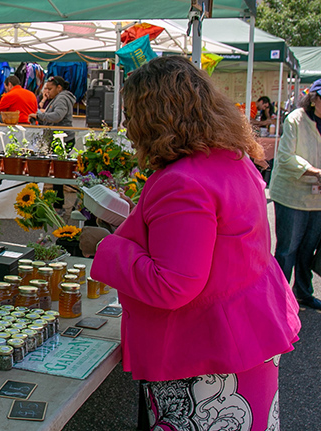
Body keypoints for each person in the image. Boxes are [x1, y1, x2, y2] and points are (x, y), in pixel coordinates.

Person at [88, 56, 300, 430]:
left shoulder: (183, 181)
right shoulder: (233, 159)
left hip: (205, 358)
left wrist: (104, 246)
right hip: (243, 338)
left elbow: (173, 284)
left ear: (155, 115)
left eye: (132, 113)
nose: (127, 125)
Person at [269, 78, 321, 310]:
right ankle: (279, 297)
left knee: (308, 249)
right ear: (314, 98)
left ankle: (303, 293)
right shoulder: (295, 119)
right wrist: (314, 171)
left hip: (317, 199)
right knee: (287, 249)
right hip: (291, 195)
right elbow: (287, 157)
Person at [29, 76, 76, 212]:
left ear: (59, 87)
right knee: (57, 172)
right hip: (59, 139)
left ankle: (58, 205)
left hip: (62, 140)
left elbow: (57, 117)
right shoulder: (58, 98)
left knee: (58, 172)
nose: (47, 91)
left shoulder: (61, 98)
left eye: (50, 89)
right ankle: (57, 204)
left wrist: (39, 116)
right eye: (46, 89)